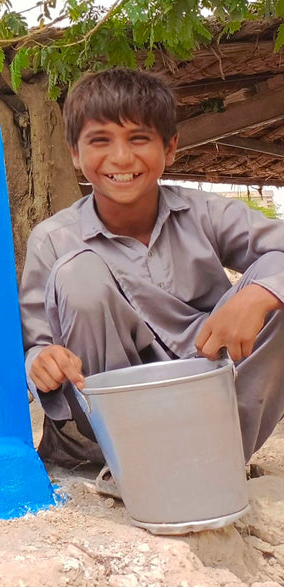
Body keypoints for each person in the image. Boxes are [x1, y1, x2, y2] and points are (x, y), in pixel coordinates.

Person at [20, 67, 284, 468]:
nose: (121, 157)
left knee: (276, 279)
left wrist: (260, 295)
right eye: (100, 141)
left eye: (139, 138)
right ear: (75, 153)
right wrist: (43, 361)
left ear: (171, 148)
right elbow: (35, 346)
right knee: (80, 276)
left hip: (210, 402)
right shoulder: (53, 240)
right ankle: (132, 466)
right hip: (109, 434)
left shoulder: (206, 213)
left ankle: (217, 462)